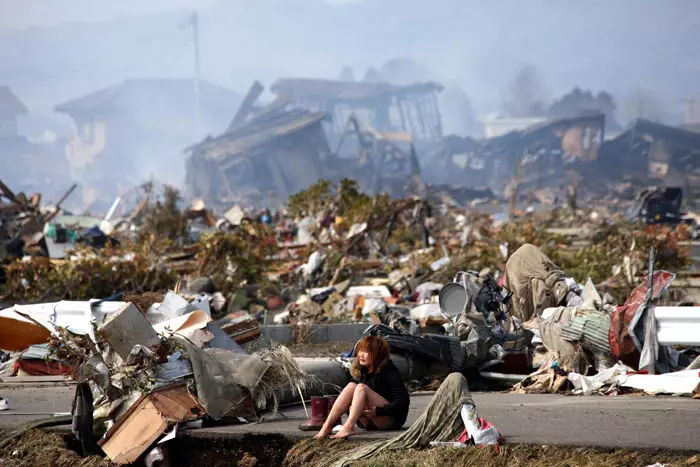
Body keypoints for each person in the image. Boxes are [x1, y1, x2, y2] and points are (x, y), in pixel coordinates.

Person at [315, 335, 410, 439]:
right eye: (360, 351)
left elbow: (403, 402)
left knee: (361, 387)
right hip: (366, 422)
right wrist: (351, 409)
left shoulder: (390, 370)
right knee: (352, 386)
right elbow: (349, 400)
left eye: (366, 352)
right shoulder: (363, 370)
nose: (361, 355)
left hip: (389, 420)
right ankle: (327, 426)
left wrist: (378, 411)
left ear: (377, 354)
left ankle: (349, 426)